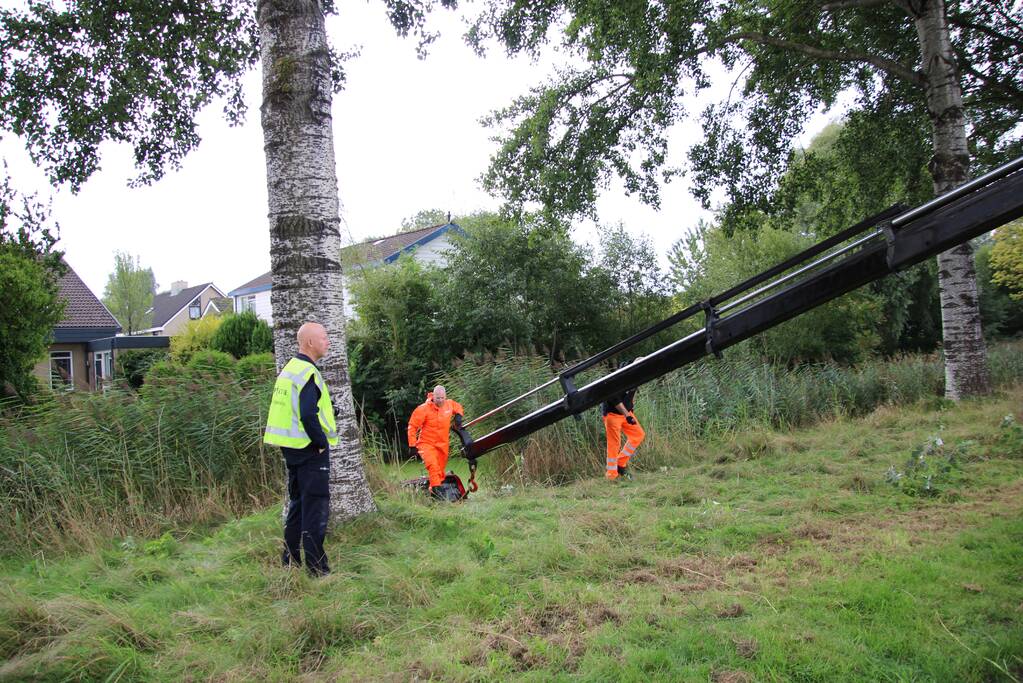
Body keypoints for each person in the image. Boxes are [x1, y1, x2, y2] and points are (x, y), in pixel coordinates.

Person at [262, 322, 337, 576]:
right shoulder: (308, 372)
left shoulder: (289, 370)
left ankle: (290, 562)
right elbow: (306, 414)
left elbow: (298, 409)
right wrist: (320, 442)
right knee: (315, 508)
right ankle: (317, 570)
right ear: (310, 343)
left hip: (292, 449)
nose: (328, 342)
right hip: (309, 451)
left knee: (297, 507)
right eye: (324, 338)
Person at [407, 385, 465, 497]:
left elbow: (458, 407)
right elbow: (412, 426)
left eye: (442, 398)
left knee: (440, 472)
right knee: (433, 466)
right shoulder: (423, 409)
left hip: (443, 444)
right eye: (438, 398)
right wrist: (412, 445)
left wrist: (458, 415)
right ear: (433, 396)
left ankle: (433, 490)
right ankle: (437, 491)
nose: (440, 400)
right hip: (426, 444)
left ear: (445, 396)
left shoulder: (449, 404)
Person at [601, 386, 644, 481]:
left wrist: (630, 408)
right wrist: (627, 415)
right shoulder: (617, 380)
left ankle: (620, 464)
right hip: (612, 414)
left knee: (638, 435)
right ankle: (611, 475)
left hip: (626, 413)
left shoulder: (635, 377)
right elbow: (614, 399)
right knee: (614, 443)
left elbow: (631, 393)